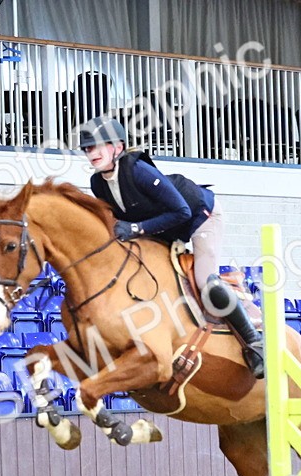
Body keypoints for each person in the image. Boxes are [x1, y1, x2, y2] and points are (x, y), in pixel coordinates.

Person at [78, 116, 265, 379]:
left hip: (200, 216)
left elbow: (181, 211)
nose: (91, 153)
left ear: (117, 148)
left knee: (205, 281)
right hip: (164, 228)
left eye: (97, 146)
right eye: (87, 149)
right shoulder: (98, 183)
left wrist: (134, 229)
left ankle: (254, 342)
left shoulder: (137, 171)